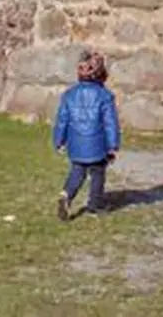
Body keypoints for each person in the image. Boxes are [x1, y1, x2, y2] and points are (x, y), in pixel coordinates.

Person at [53, 48, 121, 219]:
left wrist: (59, 140)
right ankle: (94, 204)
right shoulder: (105, 96)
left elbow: (62, 120)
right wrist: (113, 146)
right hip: (97, 145)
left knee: (77, 171)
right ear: (101, 74)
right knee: (98, 174)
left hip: (76, 143)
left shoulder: (69, 95)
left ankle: (66, 194)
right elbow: (110, 123)